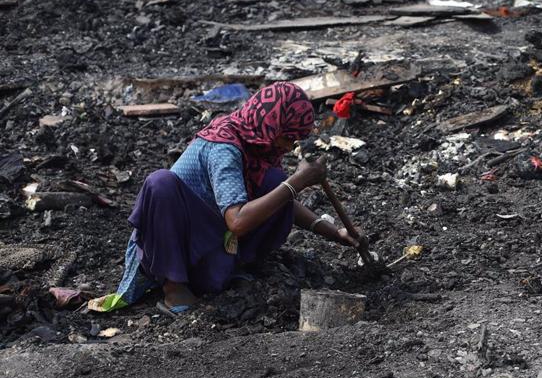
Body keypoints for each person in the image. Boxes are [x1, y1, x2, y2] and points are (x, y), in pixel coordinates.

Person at [95, 82, 362, 317]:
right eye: (288, 137)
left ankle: (229, 267)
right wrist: (297, 181)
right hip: (178, 240)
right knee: (160, 183)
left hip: (214, 234)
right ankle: (173, 285)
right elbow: (237, 222)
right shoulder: (225, 147)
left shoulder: (257, 144)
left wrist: (335, 233)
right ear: (271, 123)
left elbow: (280, 201)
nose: (288, 147)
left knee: (273, 183)